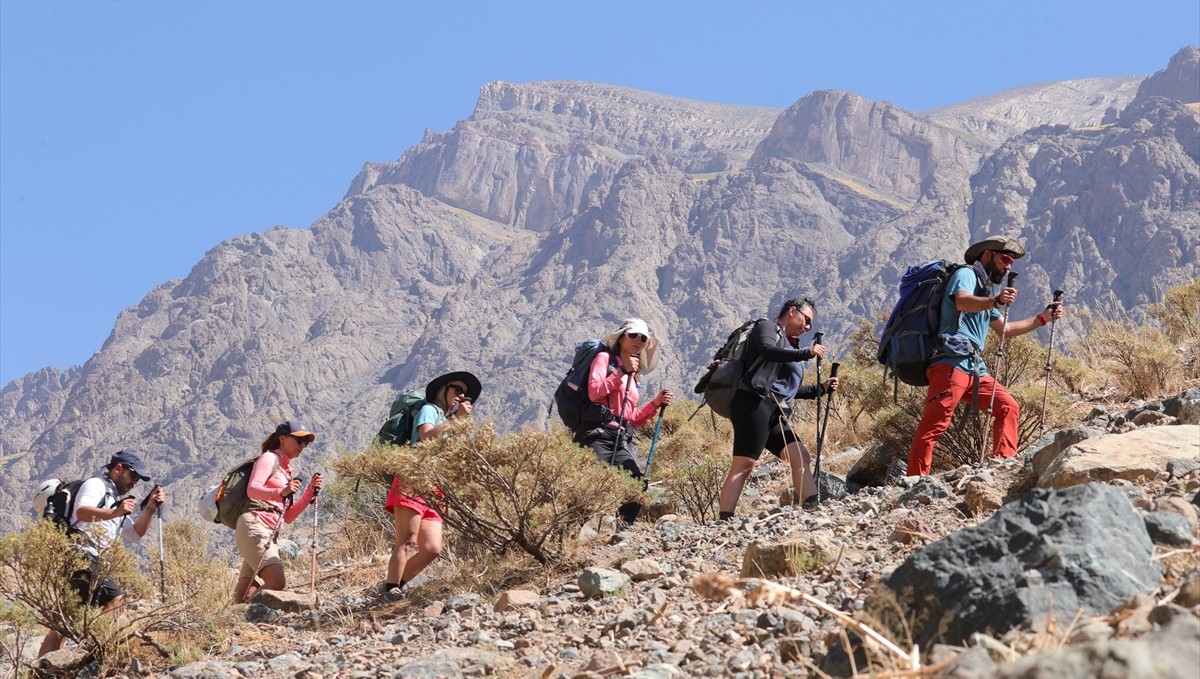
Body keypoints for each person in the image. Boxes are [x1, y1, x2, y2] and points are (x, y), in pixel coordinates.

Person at [907, 235, 1065, 476]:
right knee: (935, 423)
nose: (1008, 266)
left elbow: (1006, 330)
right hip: (951, 362)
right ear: (987, 255)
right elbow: (961, 302)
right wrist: (995, 300)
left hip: (974, 368)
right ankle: (916, 480)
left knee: (1008, 406)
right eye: (1004, 259)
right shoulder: (966, 275)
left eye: (1012, 262)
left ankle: (1003, 465)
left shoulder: (984, 291)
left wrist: (1043, 318)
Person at [717, 299, 838, 519]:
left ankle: (813, 507)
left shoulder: (789, 345)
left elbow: (785, 390)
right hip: (752, 402)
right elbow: (767, 350)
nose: (808, 327)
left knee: (800, 455)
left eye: (810, 324)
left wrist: (821, 389)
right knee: (745, 464)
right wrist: (806, 353)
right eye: (806, 320)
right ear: (792, 311)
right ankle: (724, 519)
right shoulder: (768, 327)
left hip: (773, 409)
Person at [38, 451, 165, 657]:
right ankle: (91, 653)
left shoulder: (115, 499)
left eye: (138, 480)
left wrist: (150, 507)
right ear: (118, 469)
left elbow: (136, 534)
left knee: (65, 622)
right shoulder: (96, 485)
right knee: (114, 598)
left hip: (92, 559)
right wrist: (116, 512)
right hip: (82, 554)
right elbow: (81, 512)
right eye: (133, 476)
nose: (134, 482)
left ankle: (43, 671)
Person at [383, 371, 480, 596]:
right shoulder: (429, 410)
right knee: (407, 541)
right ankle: (391, 591)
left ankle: (395, 586)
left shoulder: (447, 421)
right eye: (457, 390)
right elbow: (426, 436)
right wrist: (456, 421)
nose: (462, 396)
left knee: (433, 548)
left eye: (465, 394)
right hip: (413, 477)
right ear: (444, 389)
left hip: (434, 487)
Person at [577, 318, 673, 528]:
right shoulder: (604, 359)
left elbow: (630, 418)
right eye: (633, 335)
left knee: (637, 484)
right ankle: (570, 534)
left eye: (643, 338)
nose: (638, 340)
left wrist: (655, 404)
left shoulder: (634, 375)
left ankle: (622, 531)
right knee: (591, 486)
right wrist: (621, 372)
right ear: (621, 337)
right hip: (597, 434)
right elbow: (595, 393)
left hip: (619, 439)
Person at [232, 420, 323, 603]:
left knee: (245, 594)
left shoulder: (285, 470)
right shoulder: (269, 459)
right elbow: (252, 489)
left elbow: (287, 517)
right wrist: (281, 492)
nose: (303, 445)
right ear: (282, 438)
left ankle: (232, 620)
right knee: (276, 580)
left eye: (306, 442)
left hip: (269, 532)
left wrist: (308, 493)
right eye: (299, 440)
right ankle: (245, 614)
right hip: (255, 525)